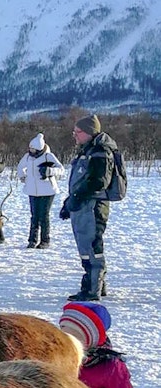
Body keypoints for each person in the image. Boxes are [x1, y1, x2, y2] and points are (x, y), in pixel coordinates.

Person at [59, 114, 118, 301]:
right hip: (83, 206)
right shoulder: (88, 150)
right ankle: (97, 285)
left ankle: (92, 289)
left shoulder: (100, 152)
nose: (74, 135)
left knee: (92, 247)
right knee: (87, 246)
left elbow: (98, 181)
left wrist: (76, 198)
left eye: (78, 132)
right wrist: (70, 202)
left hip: (92, 207)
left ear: (89, 133)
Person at [17, 133, 64, 249]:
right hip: (32, 190)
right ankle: (32, 240)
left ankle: (45, 240)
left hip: (47, 191)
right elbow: (20, 167)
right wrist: (22, 176)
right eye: (30, 148)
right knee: (34, 216)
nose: (31, 151)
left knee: (44, 215)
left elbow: (61, 170)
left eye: (33, 149)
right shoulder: (27, 157)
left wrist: (50, 171)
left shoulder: (49, 156)